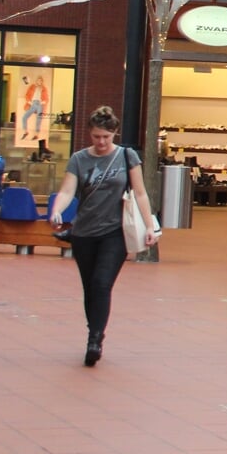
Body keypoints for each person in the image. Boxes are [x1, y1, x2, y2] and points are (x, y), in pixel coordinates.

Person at [47, 107, 160, 367]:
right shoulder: (78, 159)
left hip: (115, 232)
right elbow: (67, 190)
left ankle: (95, 339)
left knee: (101, 283)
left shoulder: (126, 156)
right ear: (90, 133)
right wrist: (57, 211)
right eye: (96, 136)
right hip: (84, 232)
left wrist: (150, 226)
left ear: (114, 134)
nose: (100, 142)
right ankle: (93, 329)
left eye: (106, 137)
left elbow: (140, 193)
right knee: (89, 287)